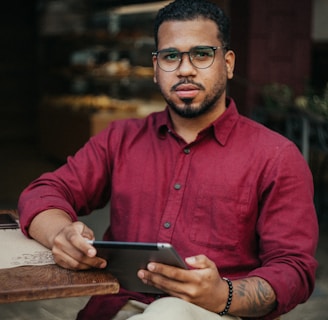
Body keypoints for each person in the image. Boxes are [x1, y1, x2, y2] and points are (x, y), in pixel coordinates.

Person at [18, 0, 318, 319]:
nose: (185, 69)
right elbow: (44, 192)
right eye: (170, 56)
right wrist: (61, 235)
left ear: (228, 63)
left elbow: (294, 270)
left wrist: (224, 295)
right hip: (118, 306)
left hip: (221, 312)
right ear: (155, 67)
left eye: (201, 54)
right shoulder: (120, 138)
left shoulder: (276, 156)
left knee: (169, 312)